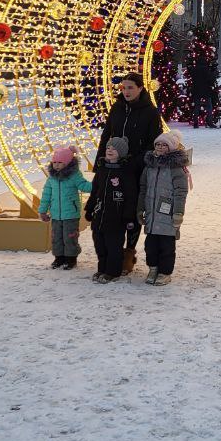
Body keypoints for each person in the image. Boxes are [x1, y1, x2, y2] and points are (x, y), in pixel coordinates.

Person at [96, 72, 164, 274]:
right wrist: (101, 161)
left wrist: (135, 162)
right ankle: (113, 252)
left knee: (132, 212)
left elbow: (153, 143)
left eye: (130, 88)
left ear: (140, 88)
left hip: (135, 171)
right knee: (113, 209)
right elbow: (107, 135)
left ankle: (129, 252)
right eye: (123, 88)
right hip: (112, 167)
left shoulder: (150, 112)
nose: (126, 91)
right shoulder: (116, 108)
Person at [84, 137, 139, 283]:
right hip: (99, 215)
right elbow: (95, 191)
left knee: (113, 246)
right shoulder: (102, 169)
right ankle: (102, 269)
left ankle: (112, 272)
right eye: (108, 148)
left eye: (114, 149)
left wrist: (128, 216)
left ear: (121, 153)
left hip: (116, 218)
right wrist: (89, 209)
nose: (110, 150)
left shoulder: (125, 172)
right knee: (100, 245)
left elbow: (131, 196)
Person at [139, 130, 190, 285]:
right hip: (152, 215)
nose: (160, 147)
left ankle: (165, 272)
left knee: (167, 247)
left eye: (164, 145)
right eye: (158, 144)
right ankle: (153, 268)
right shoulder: (150, 166)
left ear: (171, 148)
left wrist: (178, 212)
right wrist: (140, 209)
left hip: (168, 216)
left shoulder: (176, 168)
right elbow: (143, 187)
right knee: (150, 245)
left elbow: (181, 191)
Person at [37, 145, 91, 271]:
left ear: (67, 163)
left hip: (71, 214)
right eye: (54, 162)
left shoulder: (74, 175)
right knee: (56, 237)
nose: (56, 165)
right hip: (56, 214)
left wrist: (97, 184)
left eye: (60, 162)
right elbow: (46, 194)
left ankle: (71, 259)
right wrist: (43, 210)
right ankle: (59, 258)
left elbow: (84, 186)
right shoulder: (52, 178)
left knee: (70, 237)